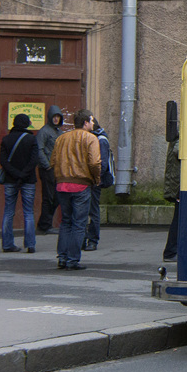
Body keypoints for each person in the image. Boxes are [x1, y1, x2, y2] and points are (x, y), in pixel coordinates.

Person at [51, 109, 101, 271]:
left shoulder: (61, 139)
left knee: (66, 221)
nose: (93, 124)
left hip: (62, 184)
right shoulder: (91, 138)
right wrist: (96, 179)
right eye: (92, 121)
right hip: (81, 184)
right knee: (79, 223)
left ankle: (62, 257)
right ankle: (73, 259)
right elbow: (94, 163)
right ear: (85, 122)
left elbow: (52, 161)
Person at [0, 114, 40, 254]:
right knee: (28, 212)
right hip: (28, 180)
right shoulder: (31, 139)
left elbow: (3, 162)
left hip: (10, 180)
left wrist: (15, 174)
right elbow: (34, 160)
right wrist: (23, 175)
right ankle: (30, 244)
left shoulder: (6, 139)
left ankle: (7, 244)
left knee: (8, 211)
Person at [83, 116, 114, 252]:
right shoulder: (92, 138)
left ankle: (93, 240)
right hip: (89, 179)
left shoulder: (100, 140)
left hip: (95, 181)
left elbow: (101, 163)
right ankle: (86, 239)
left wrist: (96, 179)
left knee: (93, 210)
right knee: (87, 210)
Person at [35, 105, 64, 234]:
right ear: (50, 117)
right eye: (54, 116)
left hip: (57, 169)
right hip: (47, 169)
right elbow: (39, 149)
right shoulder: (44, 131)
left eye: (58, 116)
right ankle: (45, 225)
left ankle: (44, 222)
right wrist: (46, 165)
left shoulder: (59, 132)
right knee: (49, 197)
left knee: (57, 197)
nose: (56, 119)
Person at [162, 138, 179, 263]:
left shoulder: (178, 136)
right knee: (178, 220)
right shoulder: (181, 137)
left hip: (178, 185)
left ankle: (171, 251)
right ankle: (170, 251)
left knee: (179, 219)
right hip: (180, 186)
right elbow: (178, 151)